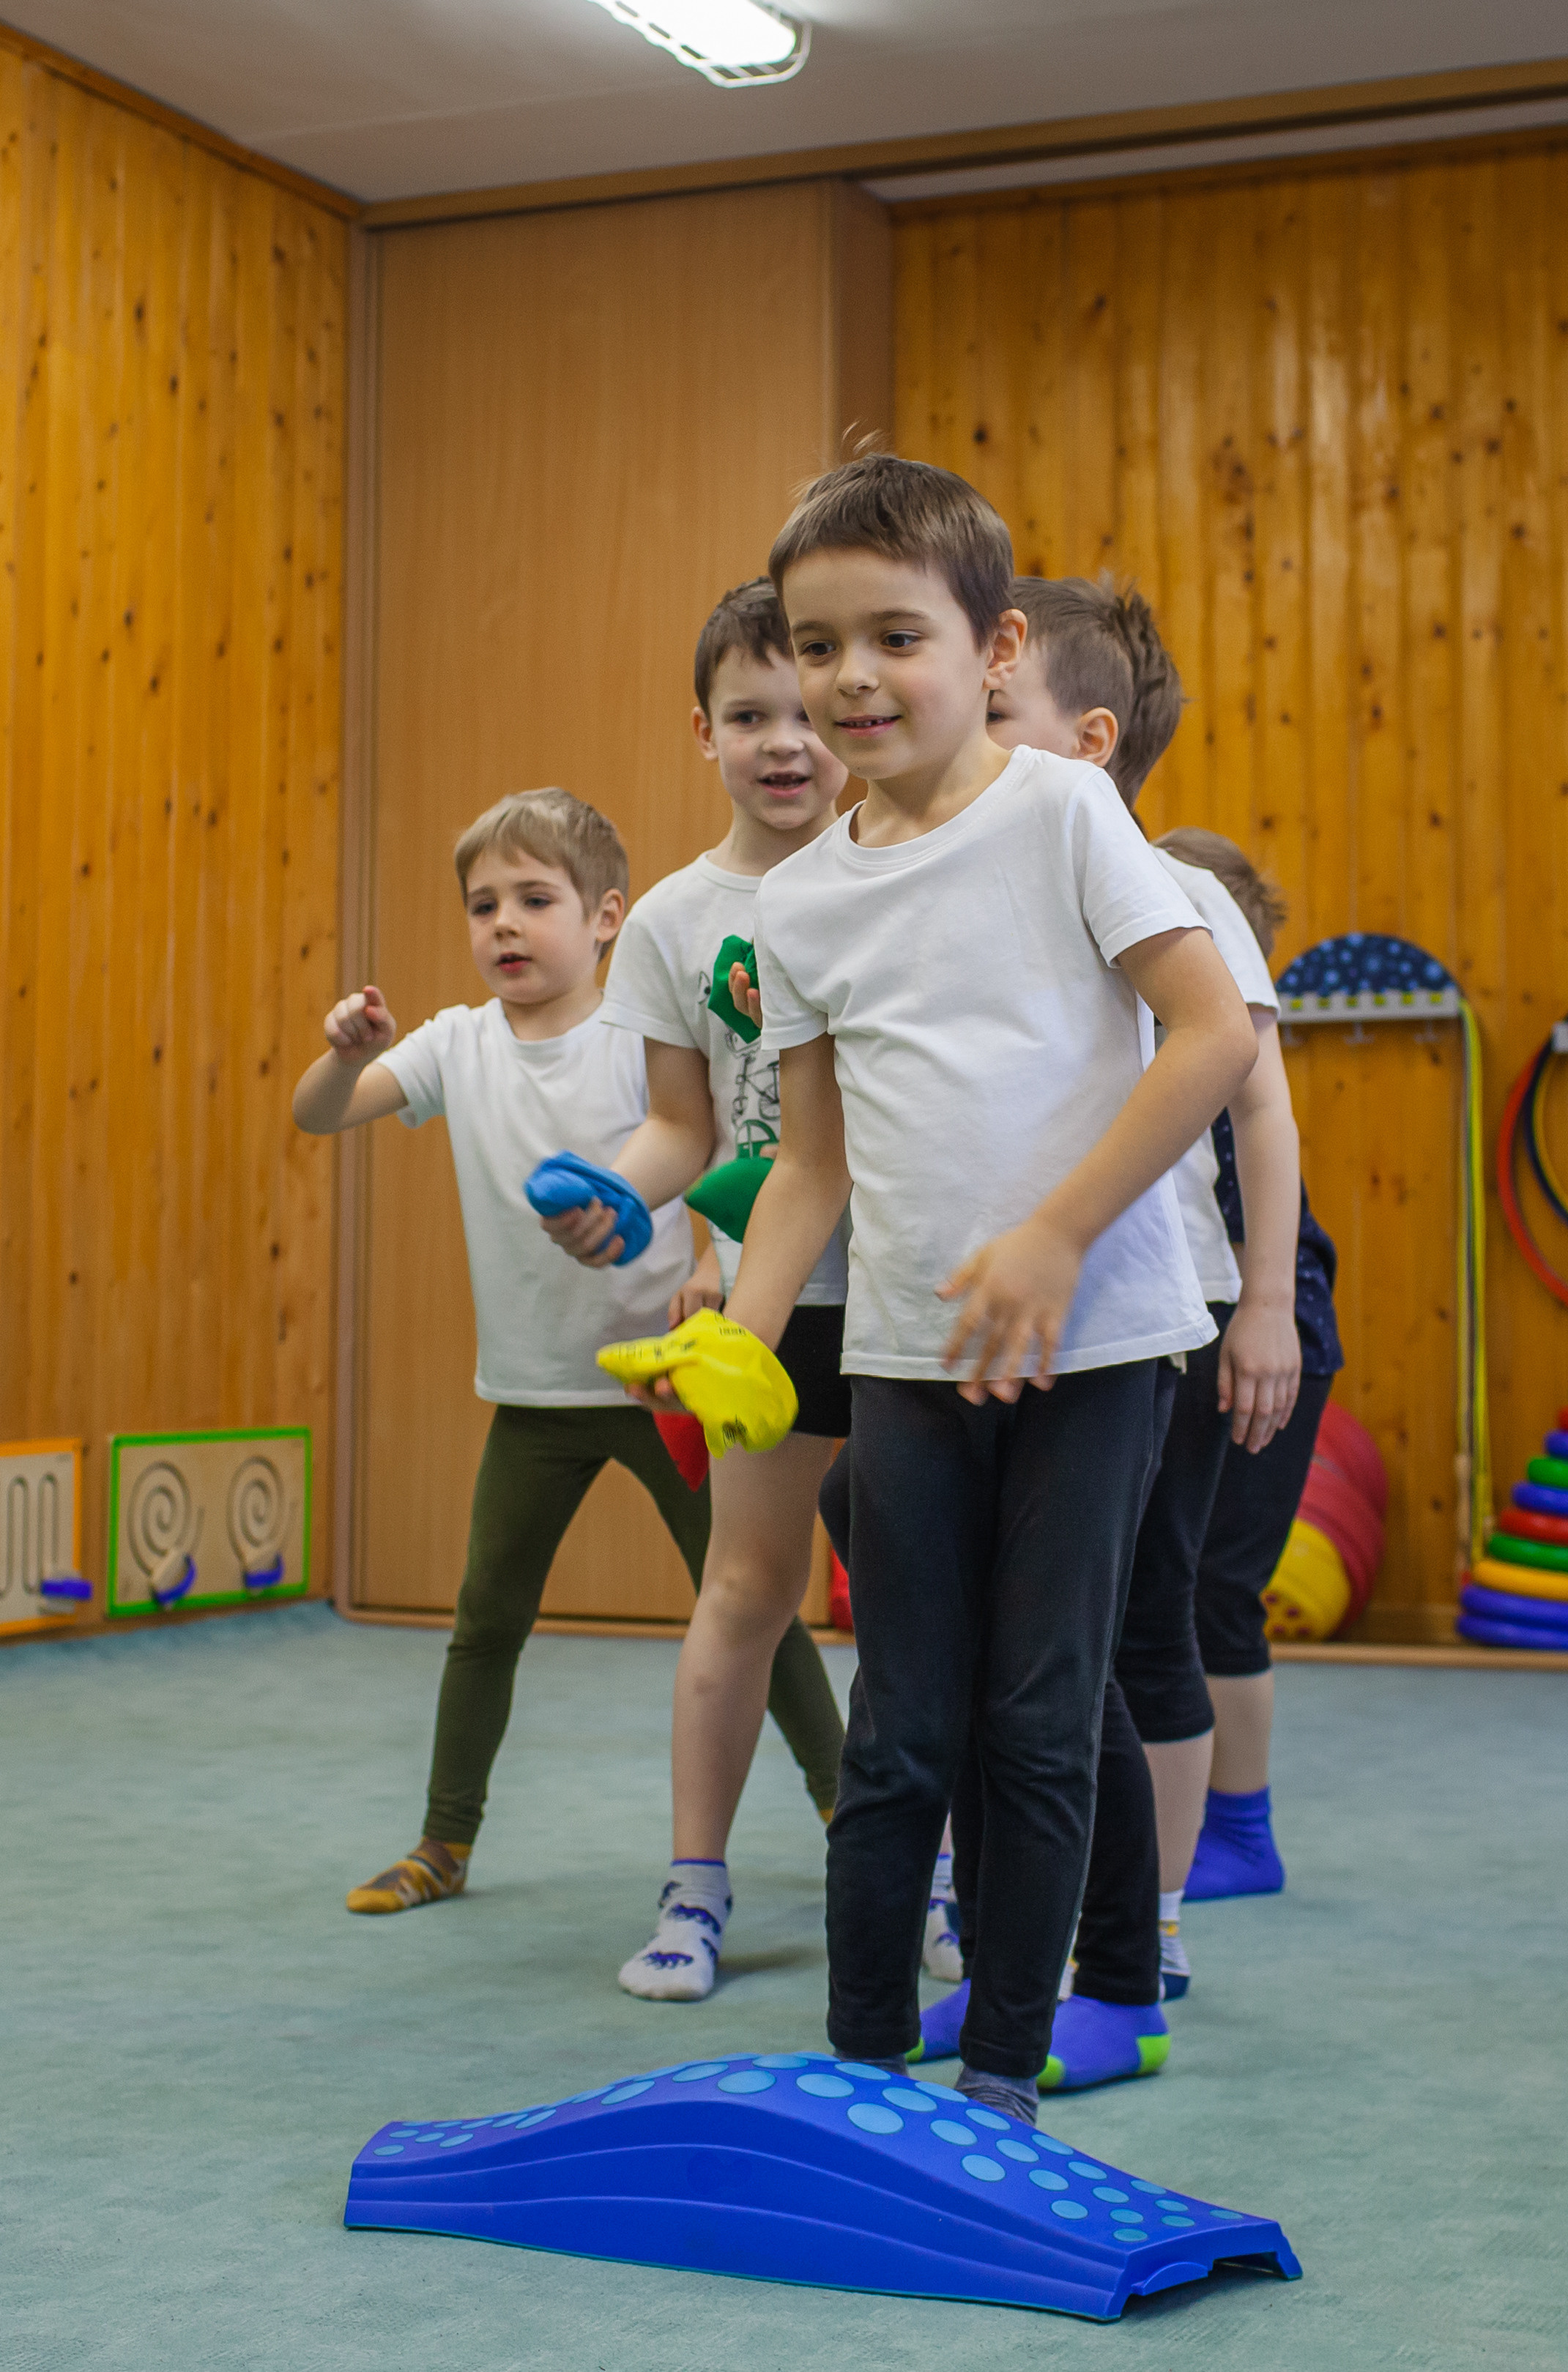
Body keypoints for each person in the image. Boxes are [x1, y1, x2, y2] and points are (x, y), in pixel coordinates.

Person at [664, 453, 1256, 2124]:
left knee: (1036, 1715)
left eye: (893, 638)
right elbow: (813, 1164)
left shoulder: (1066, 812)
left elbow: (1209, 1037)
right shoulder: (800, 902)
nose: (851, 678)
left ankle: (1001, 2066)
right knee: (904, 1725)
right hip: (916, 1354)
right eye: (817, 643)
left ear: (994, 650)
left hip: (1102, 1348)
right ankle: (868, 2065)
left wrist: (1060, 1231)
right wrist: (741, 1326)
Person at [291, 787, 839, 1920]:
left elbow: (709, 1146)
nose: (503, 923)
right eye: (483, 903)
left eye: (534, 899)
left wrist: (703, 1259)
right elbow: (316, 1115)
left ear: (606, 917)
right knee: (485, 1619)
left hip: (663, 1389)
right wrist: (345, 1056)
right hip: (534, 1399)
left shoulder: (639, 1042)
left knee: (752, 1604)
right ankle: (445, 1840)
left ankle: (848, 1811)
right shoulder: (454, 1045)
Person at [913, 574, 1302, 2088]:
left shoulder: (1168, 889)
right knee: (1023, 1646)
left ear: (1082, 739)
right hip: (1026, 1309)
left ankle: (1130, 1951)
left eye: (995, 708)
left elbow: (1255, 1106)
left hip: (1164, 1313)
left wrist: (1265, 1304)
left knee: (1113, 1638)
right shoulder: (969, 874)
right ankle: (1042, 1933)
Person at [537, 581, 849, 2000]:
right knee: (745, 1584)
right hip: (760, 1305)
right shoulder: (669, 919)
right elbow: (682, 1127)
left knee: (918, 1601)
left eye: (806, 709)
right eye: (749, 715)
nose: (784, 742)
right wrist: (618, 1196)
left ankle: (946, 1883)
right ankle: (695, 1886)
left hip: (917, 1294)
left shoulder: (905, 872)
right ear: (703, 730)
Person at [1151, 828, 1344, 1903]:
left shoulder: (1231, 1074)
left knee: (1218, 1588)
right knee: (1176, 1591)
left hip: (1273, 1348)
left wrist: (1261, 1319)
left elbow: (1264, 1243)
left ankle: (1243, 1826)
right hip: (1208, 1339)